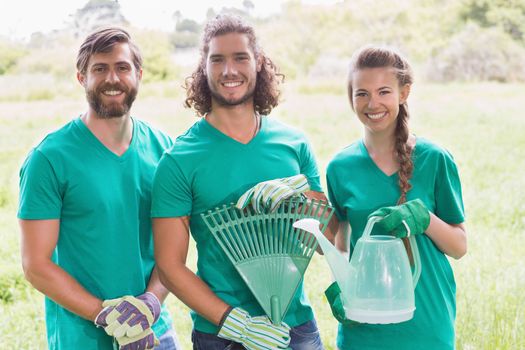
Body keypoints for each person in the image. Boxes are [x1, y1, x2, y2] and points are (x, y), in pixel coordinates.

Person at [151, 14, 327, 350]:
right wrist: (235, 322)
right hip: (221, 335)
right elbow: (170, 266)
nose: (229, 70)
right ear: (204, 67)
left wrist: (302, 195)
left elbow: (325, 243)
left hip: (296, 329)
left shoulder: (294, 145)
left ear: (259, 63)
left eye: (240, 58)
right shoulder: (179, 160)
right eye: (217, 59)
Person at [18, 27, 180, 350]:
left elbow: (172, 248)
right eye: (99, 69)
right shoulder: (49, 159)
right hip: (83, 338)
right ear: (82, 78)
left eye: (122, 67)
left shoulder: (165, 150)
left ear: (138, 75)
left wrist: (151, 301)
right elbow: (36, 265)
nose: (112, 78)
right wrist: (107, 316)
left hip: (155, 333)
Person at [324, 45, 467, 349]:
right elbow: (342, 245)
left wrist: (425, 219)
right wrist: (345, 287)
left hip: (425, 323)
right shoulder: (340, 167)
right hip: (363, 324)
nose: (372, 103)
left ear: (404, 93)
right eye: (361, 93)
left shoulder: (435, 159)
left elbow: (459, 246)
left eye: (383, 91)